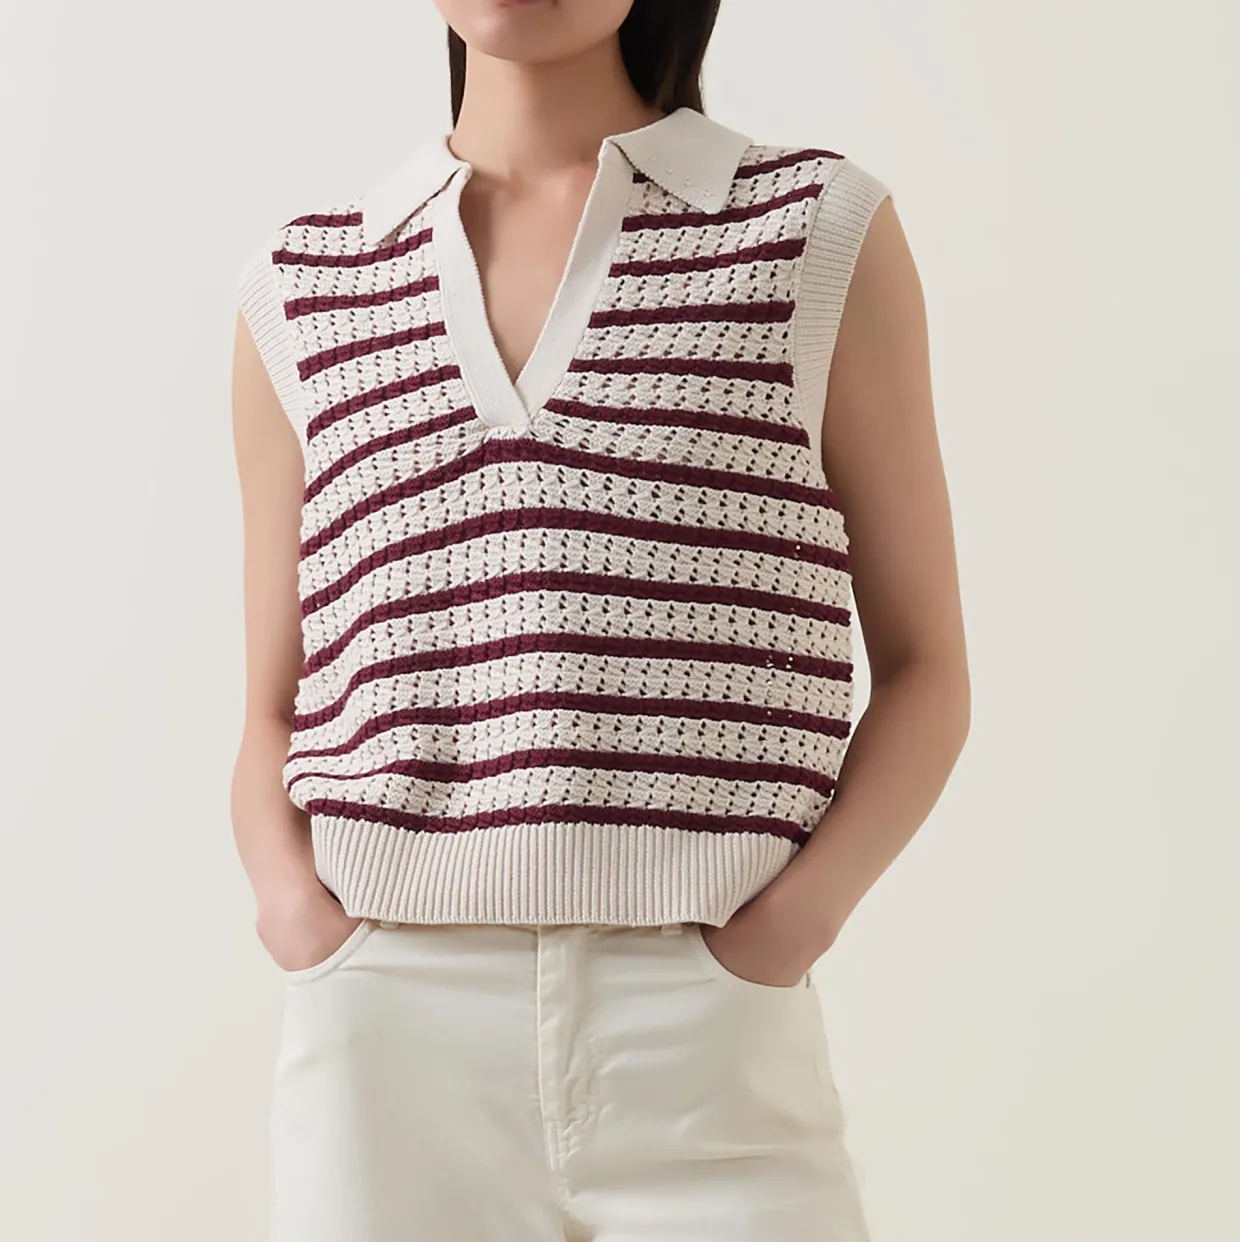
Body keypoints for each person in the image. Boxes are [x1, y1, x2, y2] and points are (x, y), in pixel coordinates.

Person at [229, 1, 970, 1238]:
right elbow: (269, 702)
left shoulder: (808, 229)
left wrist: (783, 934)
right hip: (386, 1030)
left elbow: (925, 666)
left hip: (707, 1019)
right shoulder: (306, 286)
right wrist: (293, 913)